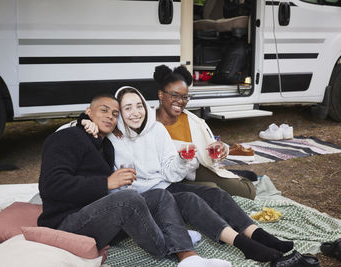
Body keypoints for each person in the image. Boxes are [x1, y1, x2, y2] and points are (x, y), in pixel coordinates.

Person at [104, 86, 294, 263]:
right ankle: (245, 245)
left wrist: (181, 160)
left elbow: (170, 173)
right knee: (190, 200)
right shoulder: (112, 140)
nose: (135, 112)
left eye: (139, 106)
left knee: (215, 193)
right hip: (143, 199)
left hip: (165, 186)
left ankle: (258, 234)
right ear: (118, 113)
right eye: (127, 108)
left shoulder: (156, 130)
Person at [37, 94, 230, 267]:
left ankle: (188, 258)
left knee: (159, 195)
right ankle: (168, 243)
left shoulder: (105, 146)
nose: (110, 116)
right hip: (67, 222)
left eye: (114, 114)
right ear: (88, 112)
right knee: (128, 199)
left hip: (98, 216)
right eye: (103, 110)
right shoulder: (66, 137)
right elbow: (51, 186)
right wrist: (107, 183)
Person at [153, 64, 257, 199]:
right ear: (161, 95)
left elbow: (210, 151)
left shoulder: (193, 122)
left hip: (192, 171)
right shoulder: (147, 122)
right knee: (212, 191)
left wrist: (221, 147)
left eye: (185, 97)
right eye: (175, 95)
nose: (180, 101)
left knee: (248, 191)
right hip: (165, 179)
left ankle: (230, 175)